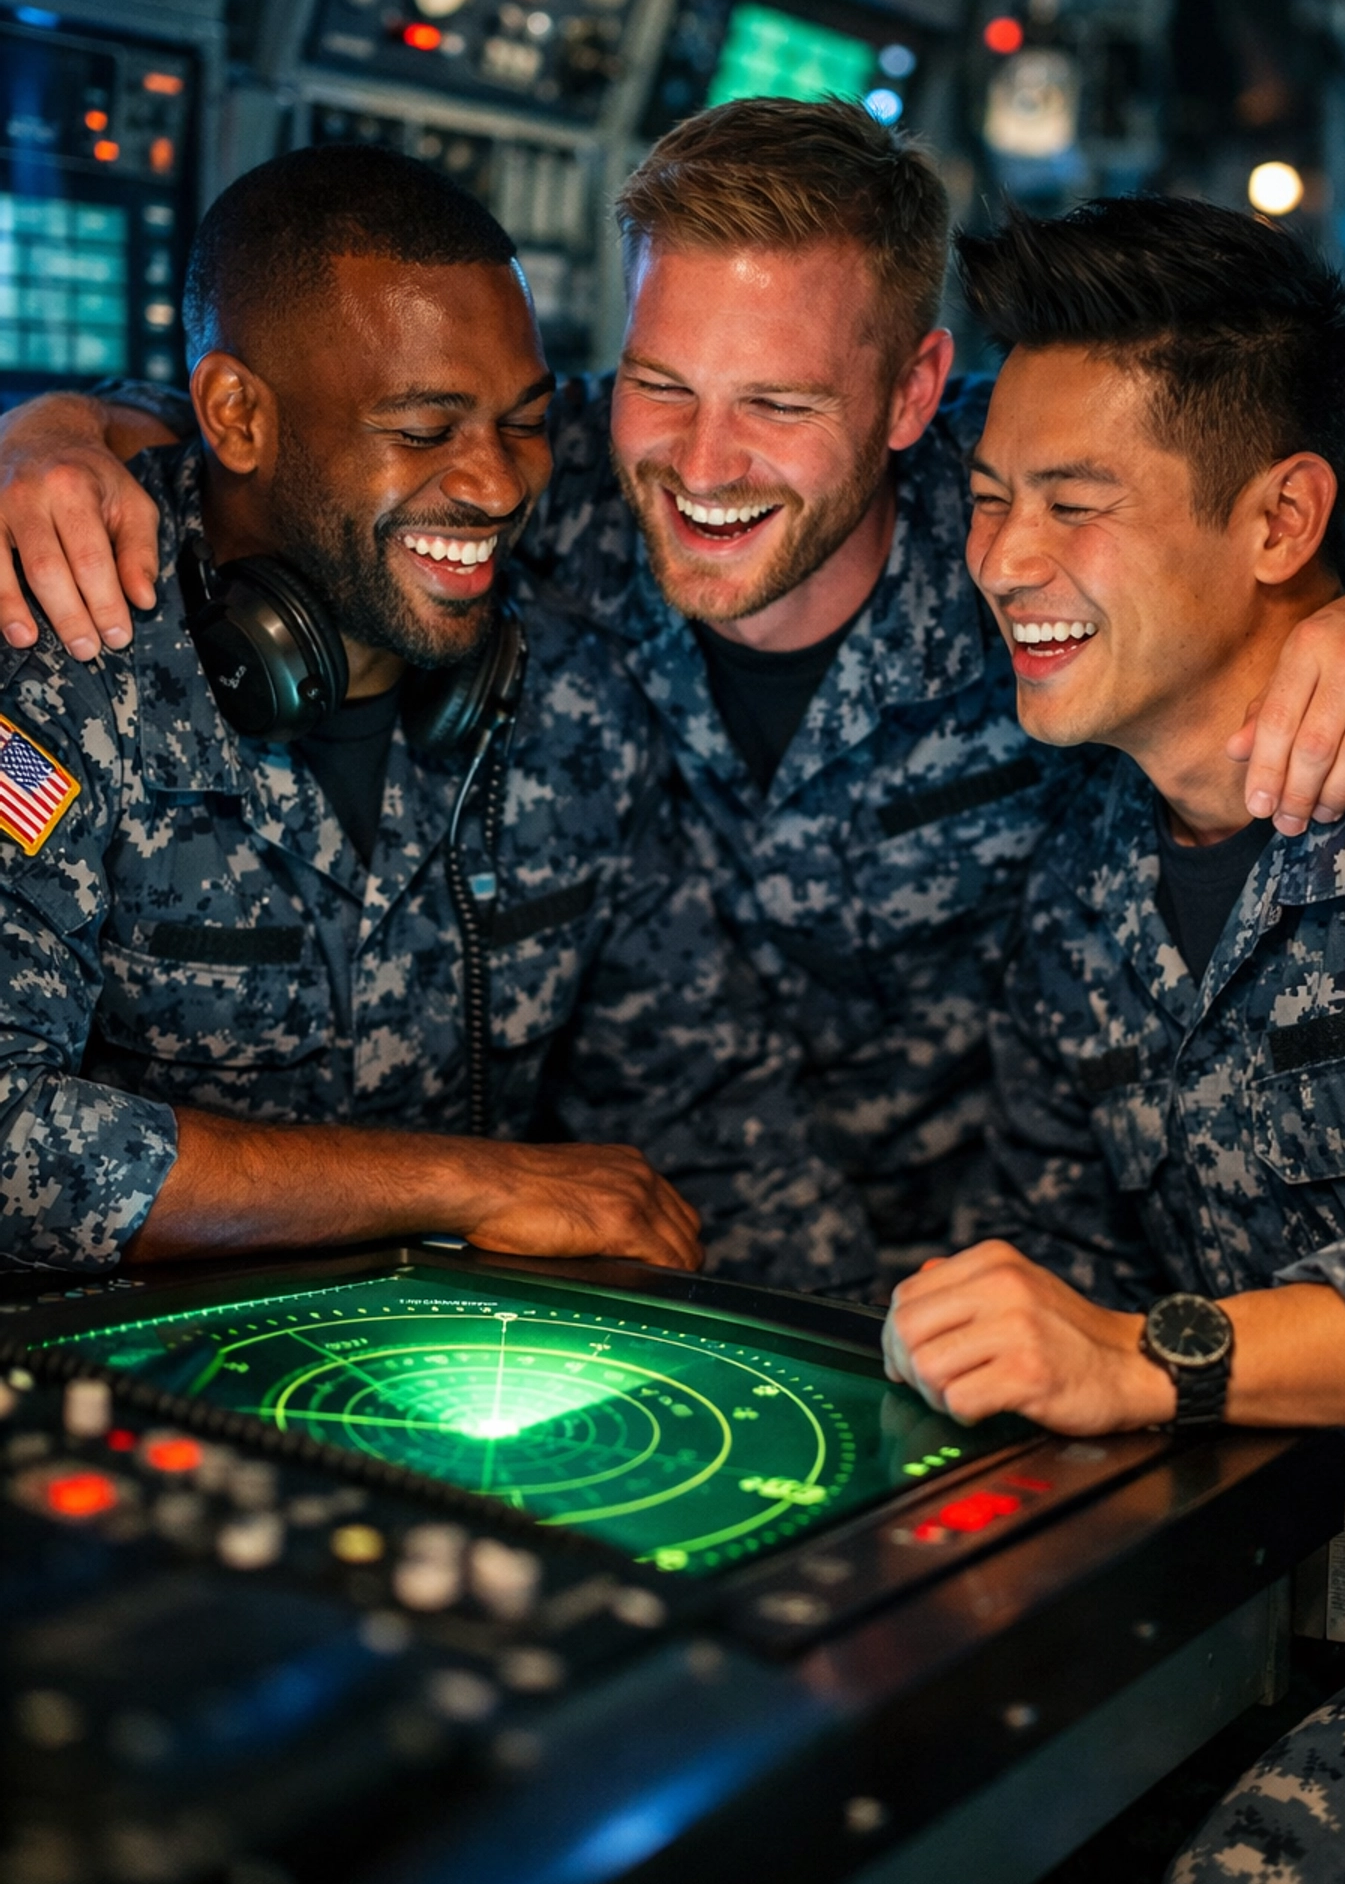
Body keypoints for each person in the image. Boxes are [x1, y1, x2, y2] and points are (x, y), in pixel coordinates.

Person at [3, 104, 1345, 1283]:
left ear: (915, 396)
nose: (703, 463)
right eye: (662, 385)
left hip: (987, 1252)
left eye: (782, 406)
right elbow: (298, 410)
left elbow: (1284, 503)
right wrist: (57, 423)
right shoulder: (545, 510)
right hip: (685, 1258)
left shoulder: (1027, 522)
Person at [881, 195, 1345, 1884]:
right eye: (989, 498)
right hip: (1276, 1573)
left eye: (1076, 505)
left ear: (1281, 519)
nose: (1005, 559)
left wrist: (1137, 1354)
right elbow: (1056, 1247)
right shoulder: (1086, 867)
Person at [0, 144, 869, 1288]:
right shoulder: (58, 651)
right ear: (236, 417)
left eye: (522, 422)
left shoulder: (569, 693)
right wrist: (475, 1181)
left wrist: (883, 1383)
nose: (499, 485)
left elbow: (705, 1112)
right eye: (422, 430)